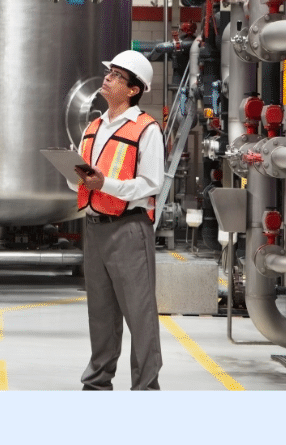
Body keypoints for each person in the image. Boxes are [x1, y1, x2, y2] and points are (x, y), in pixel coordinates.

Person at [63, 49, 165, 391]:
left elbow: (152, 184)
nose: (107, 78)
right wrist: (74, 174)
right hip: (95, 228)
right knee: (101, 313)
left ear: (133, 89)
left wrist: (104, 183)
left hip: (129, 230)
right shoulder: (94, 126)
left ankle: (146, 387)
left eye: (116, 75)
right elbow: (80, 176)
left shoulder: (145, 130)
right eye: (109, 73)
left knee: (140, 314)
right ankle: (96, 383)